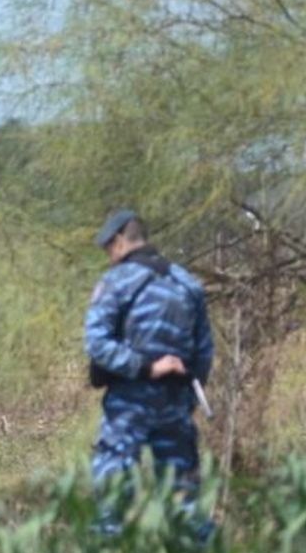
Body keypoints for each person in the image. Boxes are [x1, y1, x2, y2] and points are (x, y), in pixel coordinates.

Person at [84, 210, 214, 536]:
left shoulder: (117, 282)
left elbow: (96, 343)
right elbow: (203, 354)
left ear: (117, 243)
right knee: (184, 498)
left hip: (129, 403)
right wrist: (186, 399)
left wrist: (145, 367)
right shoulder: (188, 283)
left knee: (113, 496)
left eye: (108, 250)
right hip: (176, 403)